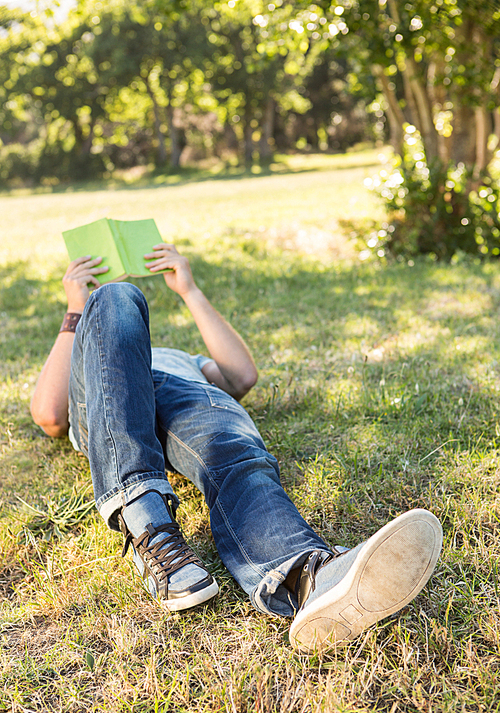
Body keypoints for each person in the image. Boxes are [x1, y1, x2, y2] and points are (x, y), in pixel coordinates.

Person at [31, 244, 443, 653]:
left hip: (183, 394)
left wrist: (189, 291)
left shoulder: (178, 359)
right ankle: (148, 526)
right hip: (108, 407)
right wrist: (77, 307)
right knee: (117, 296)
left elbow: (241, 377)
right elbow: (50, 415)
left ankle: (309, 577)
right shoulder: (91, 353)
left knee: (234, 455)